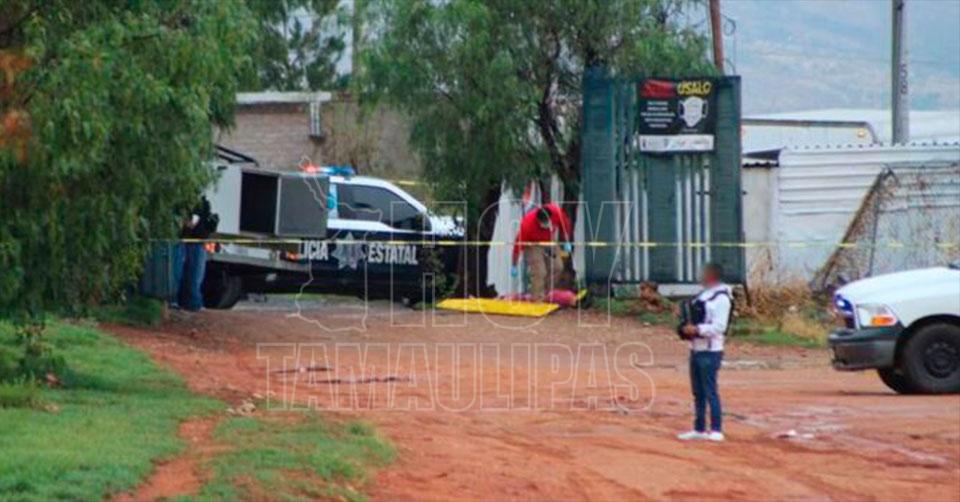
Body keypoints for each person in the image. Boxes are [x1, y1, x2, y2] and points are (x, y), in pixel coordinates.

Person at [677, 262, 732, 442]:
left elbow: (720, 327)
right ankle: (699, 428)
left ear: (712, 276)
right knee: (698, 392)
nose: (700, 276)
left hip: (711, 350)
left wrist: (697, 329)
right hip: (696, 348)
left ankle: (716, 429)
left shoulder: (721, 298)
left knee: (710, 391)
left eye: (704, 273)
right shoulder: (703, 295)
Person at [510, 203, 572, 301]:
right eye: (543, 223)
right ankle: (537, 298)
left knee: (557, 267)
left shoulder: (557, 212)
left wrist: (566, 241)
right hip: (532, 245)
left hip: (548, 242)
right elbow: (517, 246)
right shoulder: (527, 224)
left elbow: (565, 226)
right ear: (538, 220)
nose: (546, 225)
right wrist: (514, 265)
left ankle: (546, 293)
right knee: (540, 271)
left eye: (548, 222)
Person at [172, 196, 218, 312]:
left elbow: (198, 223)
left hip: (197, 242)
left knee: (194, 275)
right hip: (185, 241)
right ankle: (180, 301)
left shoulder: (203, 203)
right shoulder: (183, 200)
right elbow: (190, 224)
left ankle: (192, 303)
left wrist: (210, 225)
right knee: (180, 273)